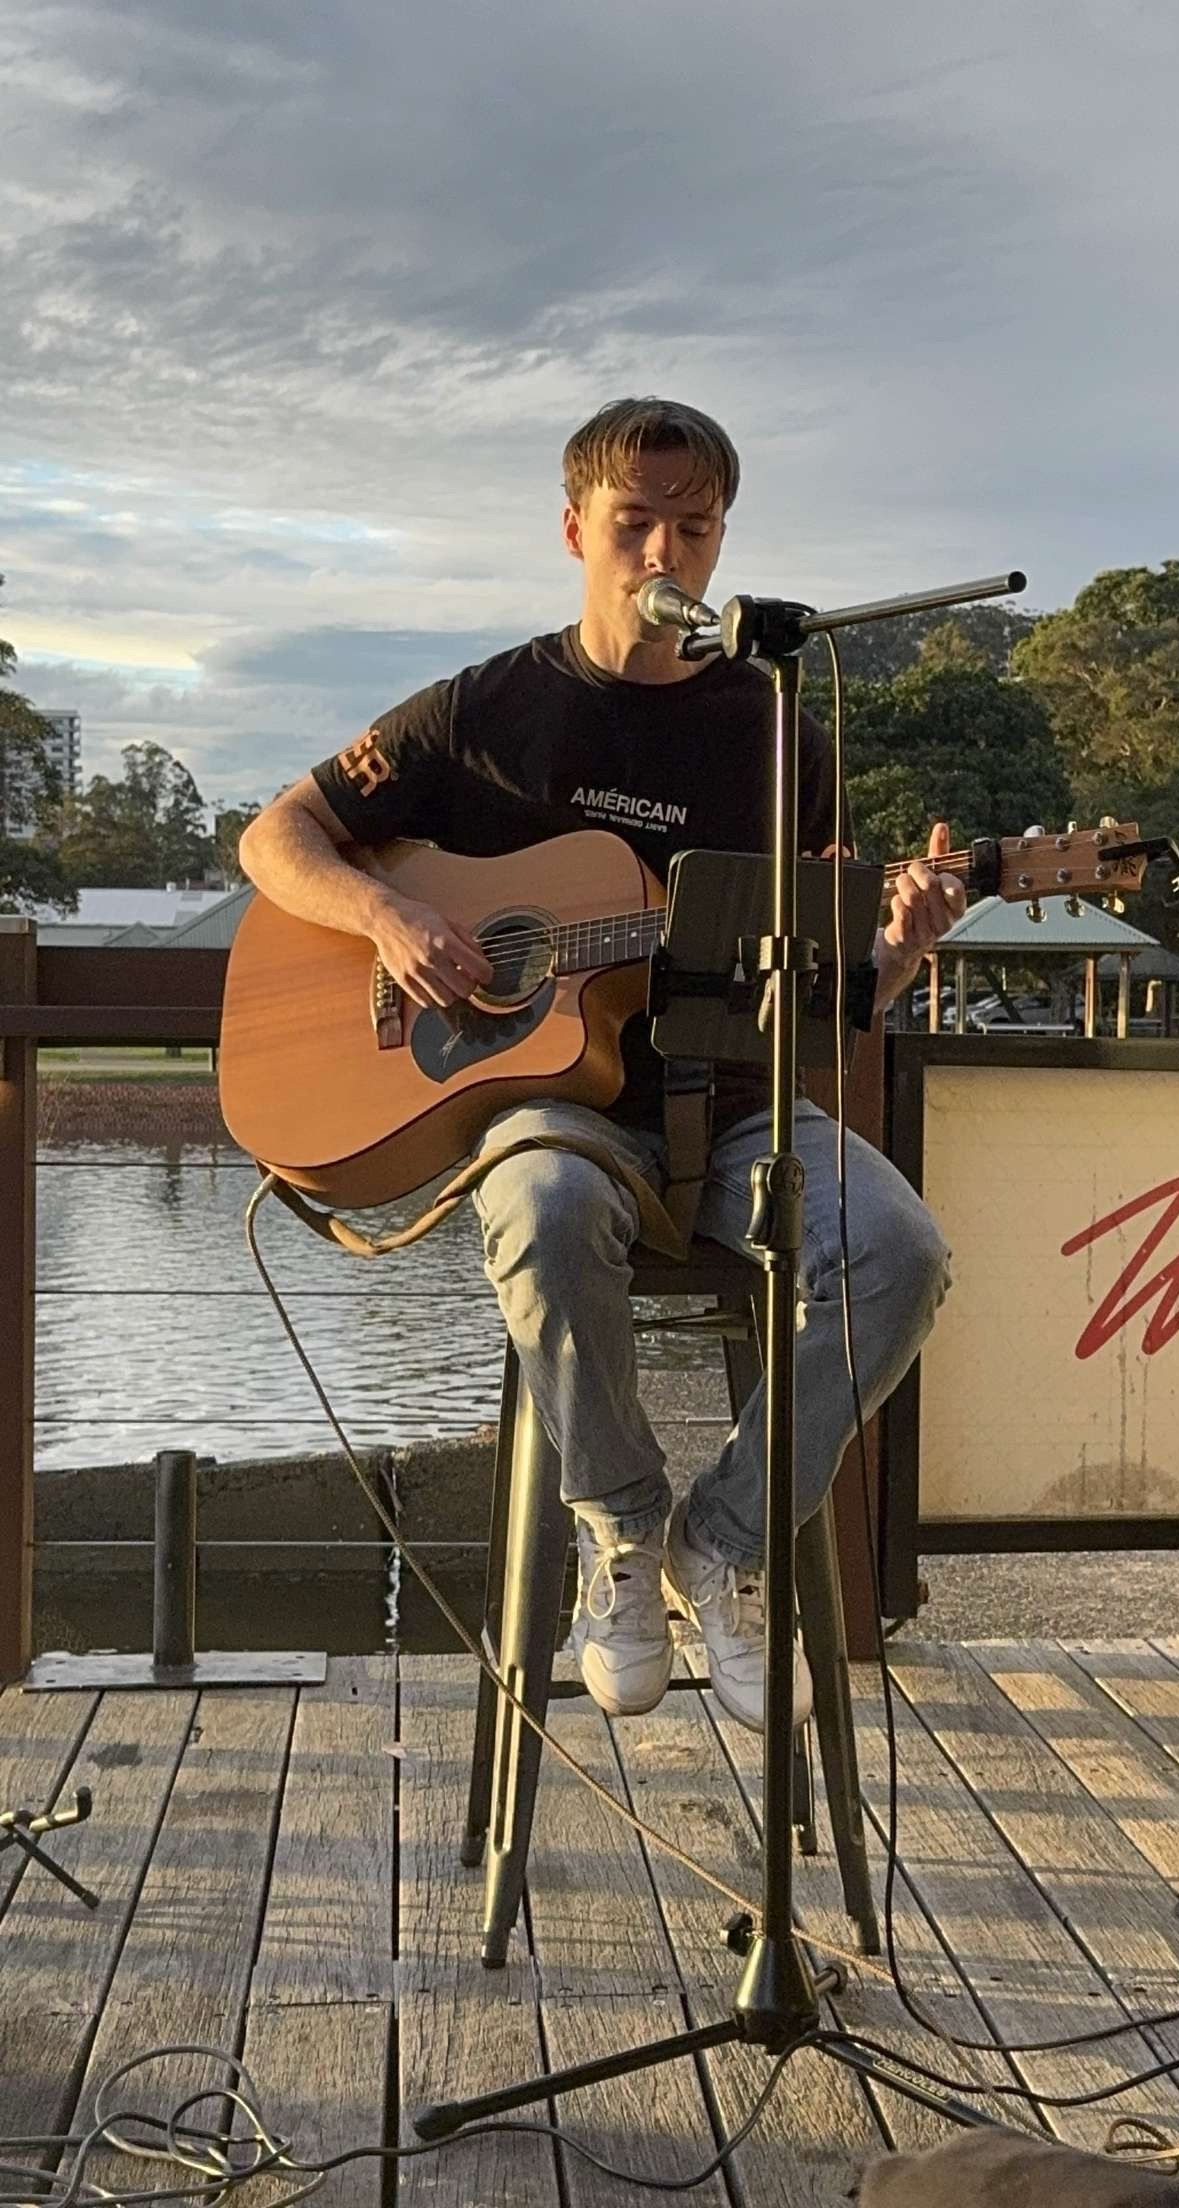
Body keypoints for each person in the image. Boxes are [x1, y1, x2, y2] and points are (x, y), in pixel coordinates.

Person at [238, 395, 962, 1733]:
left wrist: (900, 946)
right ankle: (623, 1537)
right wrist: (389, 915)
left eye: (695, 529)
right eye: (635, 523)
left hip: (732, 1104)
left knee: (899, 1251)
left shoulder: (779, 732)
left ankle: (723, 1545)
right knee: (549, 1207)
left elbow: (819, 990)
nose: (664, 556)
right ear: (575, 527)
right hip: (549, 1116)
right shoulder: (480, 711)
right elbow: (277, 837)